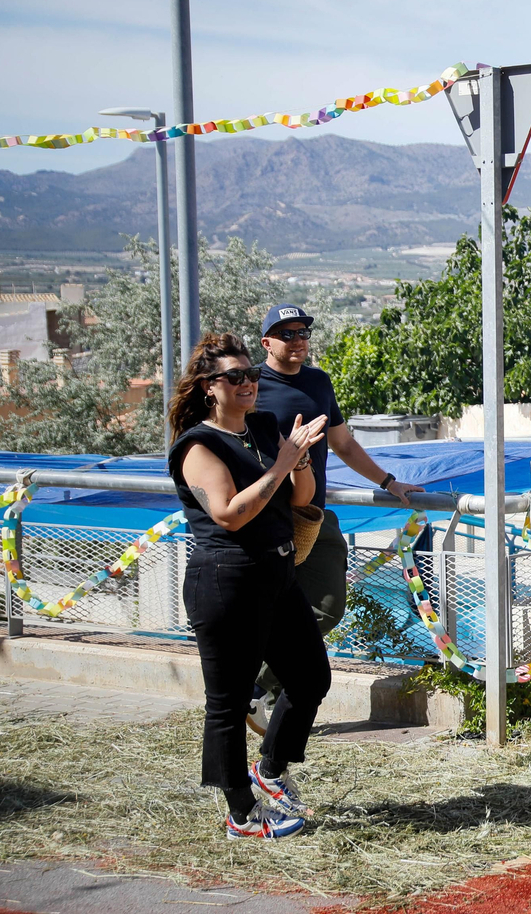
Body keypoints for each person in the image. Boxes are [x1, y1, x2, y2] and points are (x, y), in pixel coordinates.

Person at [166, 333, 331, 839]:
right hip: (227, 580)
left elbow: (302, 494)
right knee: (229, 703)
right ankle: (240, 811)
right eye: (235, 377)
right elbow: (229, 515)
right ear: (208, 387)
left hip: (277, 572)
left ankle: (272, 768)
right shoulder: (198, 444)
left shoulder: (261, 427)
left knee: (310, 679)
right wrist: (282, 464)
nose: (248, 384)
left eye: (252, 375)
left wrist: (298, 460)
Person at [249, 304, 424, 732]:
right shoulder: (249, 384)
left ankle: (255, 689)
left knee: (327, 607)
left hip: (312, 516)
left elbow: (344, 444)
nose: (298, 340)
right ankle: (250, 698)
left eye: (303, 332)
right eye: (286, 334)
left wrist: (389, 482)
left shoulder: (318, 382)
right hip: (264, 517)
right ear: (266, 342)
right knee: (261, 611)